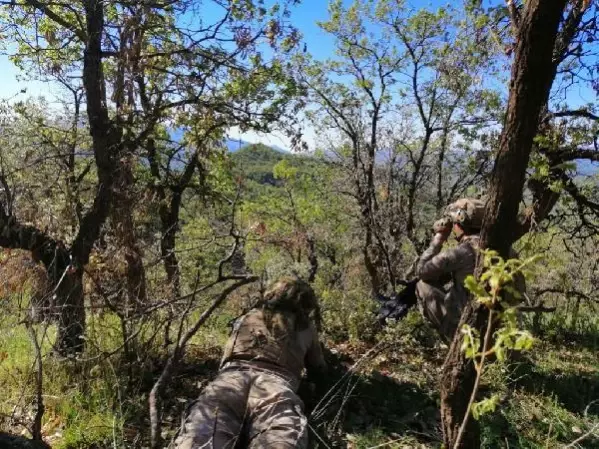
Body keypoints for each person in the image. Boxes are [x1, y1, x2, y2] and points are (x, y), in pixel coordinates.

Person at [174, 277, 327, 449]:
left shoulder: (246, 317)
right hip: (275, 387)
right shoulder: (304, 326)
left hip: (230, 381)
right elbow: (318, 369)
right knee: (280, 441)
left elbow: (226, 358)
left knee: (200, 438)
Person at [415, 198, 524, 343]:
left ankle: (454, 344)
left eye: (453, 223)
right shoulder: (509, 251)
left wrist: (439, 238)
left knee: (422, 285)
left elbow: (421, 270)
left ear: (460, 223)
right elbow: (521, 289)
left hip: (471, 334)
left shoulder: (461, 252)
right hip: (505, 334)